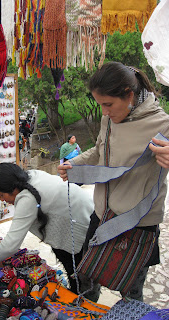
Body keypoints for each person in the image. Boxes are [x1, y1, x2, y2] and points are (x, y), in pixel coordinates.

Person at [58, 61, 169, 302]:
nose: (104, 112)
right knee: (86, 279)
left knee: (130, 293)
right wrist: (74, 164)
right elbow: (99, 151)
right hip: (102, 214)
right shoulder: (109, 119)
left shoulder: (163, 125)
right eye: (100, 105)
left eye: (108, 104)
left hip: (137, 223)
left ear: (129, 95)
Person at [0, 162, 94, 294]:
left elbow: (11, 243)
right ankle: (80, 295)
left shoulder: (27, 198)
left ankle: (85, 302)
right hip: (83, 213)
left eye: (1, 195)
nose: (2, 199)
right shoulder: (31, 176)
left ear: (12, 188)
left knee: (81, 272)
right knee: (77, 270)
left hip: (80, 224)